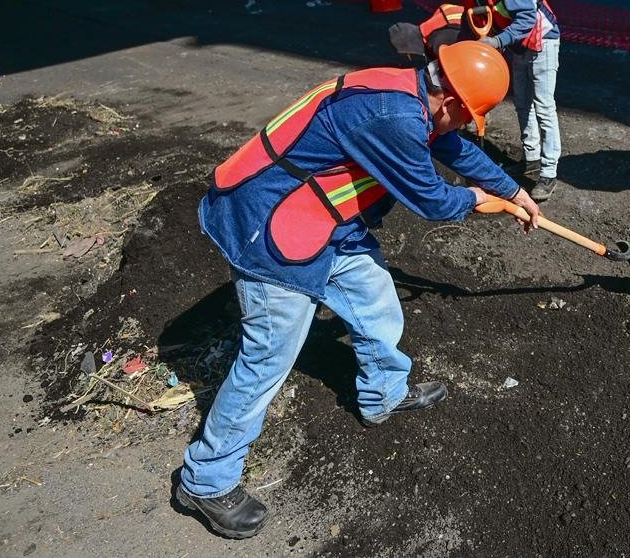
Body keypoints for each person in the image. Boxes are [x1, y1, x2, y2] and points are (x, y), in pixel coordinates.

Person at [175, 42, 541, 539]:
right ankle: (206, 480)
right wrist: (479, 199)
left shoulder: (414, 95)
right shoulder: (391, 117)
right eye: (468, 116)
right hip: (271, 227)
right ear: (451, 103)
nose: (463, 126)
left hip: (326, 223)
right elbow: (433, 201)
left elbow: (453, 147)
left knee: (375, 300)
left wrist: (514, 192)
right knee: (267, 359)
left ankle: (383, 394)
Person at [428, 0, 563, 202]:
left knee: (543, 106)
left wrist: (497, 42)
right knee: (522, 104)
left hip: (542, 40)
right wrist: (462, 53)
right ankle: (531, 159)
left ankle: (548, 173)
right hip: (519, 44)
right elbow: (471, 21)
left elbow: (527, 17)